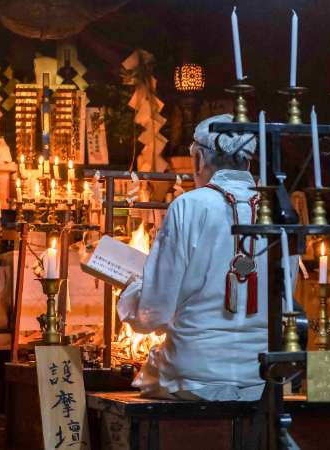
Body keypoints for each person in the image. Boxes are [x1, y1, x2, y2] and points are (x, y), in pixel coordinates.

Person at [118, 114, 299, 401]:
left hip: (193, 374)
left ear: (199, 159)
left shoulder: (189, 206)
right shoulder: (281, 212)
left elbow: (155, 313)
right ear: (248, 161)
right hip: (263, 374)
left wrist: (131, 291)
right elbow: (287, 295)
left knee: (148, 376)